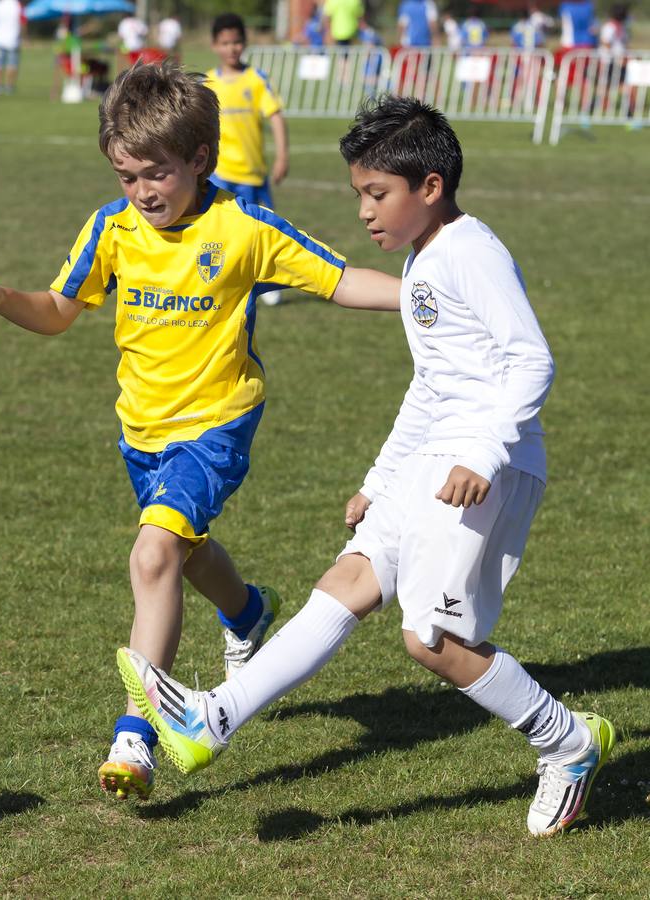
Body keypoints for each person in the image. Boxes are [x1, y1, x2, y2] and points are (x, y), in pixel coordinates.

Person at [116, 95, 617, 837]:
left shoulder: (469, 252)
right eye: (360, 195)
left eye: (377, 194)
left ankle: (568, 742)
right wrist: (381, 480)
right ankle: (213, 717)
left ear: (431, 189)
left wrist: (481, 454)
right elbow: (431, 384)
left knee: (433, 642)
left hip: (487, 463)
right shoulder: (421, 263)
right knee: (347, 583)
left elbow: (530, 360)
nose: (364, 212)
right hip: (433, 459)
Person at [0, 62, 401, 801]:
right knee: (184, 555)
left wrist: (428, 294)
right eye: (127, 176)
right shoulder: (113, 227)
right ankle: (248, 609)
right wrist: (5, 298)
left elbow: (339, 279)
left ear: (200, 158)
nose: (142, 193)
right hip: (141, 429)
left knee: (153, 554)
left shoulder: (243, 229)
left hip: (216, 425)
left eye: (155, 174)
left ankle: (137, 733)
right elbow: (61, 309)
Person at [205, 13, 289, 306]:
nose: (232, 48)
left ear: (245, 43)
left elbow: (276, 117)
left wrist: (282, 156)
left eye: (237, 42)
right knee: (218, 232)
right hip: (220, 173)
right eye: (225, 43)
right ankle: (220, 282)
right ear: (215, 45)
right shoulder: (208, 83)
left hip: (253, 172)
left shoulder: (256, 80)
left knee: (264, 230)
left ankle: (270, 281)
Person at [0, 0, 22, 95]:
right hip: (13, 39)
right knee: (12, 65)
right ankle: (9, 87)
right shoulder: (17, 5)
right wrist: (24, 36)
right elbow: (22, 21)